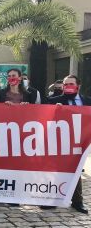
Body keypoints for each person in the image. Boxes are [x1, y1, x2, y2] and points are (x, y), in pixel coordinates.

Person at [42, 75, 89, 214]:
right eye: (65, 84)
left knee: (77, 171)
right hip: (60, 141)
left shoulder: (87, 101)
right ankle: (53, 200)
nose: (67, 86)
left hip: (80, 141)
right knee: (57, 171)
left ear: (78, 86)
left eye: (71, 84)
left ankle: (78, 202)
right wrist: (54, 110)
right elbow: (45, 118)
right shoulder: (53, 100)